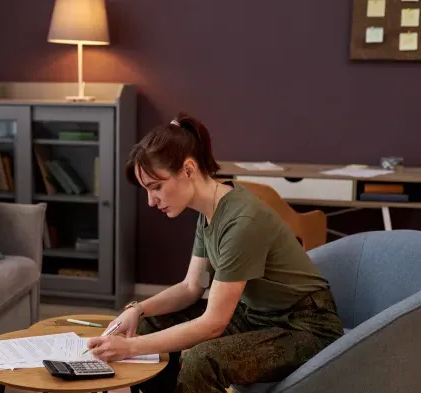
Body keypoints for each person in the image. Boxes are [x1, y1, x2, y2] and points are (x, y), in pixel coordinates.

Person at [86, 112, 344, 393]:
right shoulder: (209, 212)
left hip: (305, 326)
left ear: (187, 169)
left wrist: (130, 347)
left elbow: (213, 325)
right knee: (149, 323)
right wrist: (138, 309)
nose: (151, 201)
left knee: (201, 361)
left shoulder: (241, 222)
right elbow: (190, 287)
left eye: (156, 187)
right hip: (255, 314)